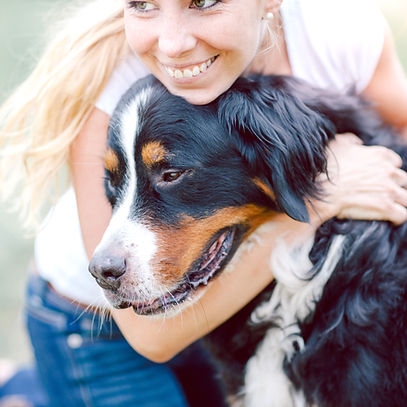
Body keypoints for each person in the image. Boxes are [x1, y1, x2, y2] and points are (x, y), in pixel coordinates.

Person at [1, 0, 407, 406]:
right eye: (143, 4)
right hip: (98, 326)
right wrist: (323, 199)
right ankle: (25, 391)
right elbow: (151, 339)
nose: (173, 44)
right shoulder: (109, 80)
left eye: (205, 1)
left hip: (228, 305)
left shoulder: (338, 32)